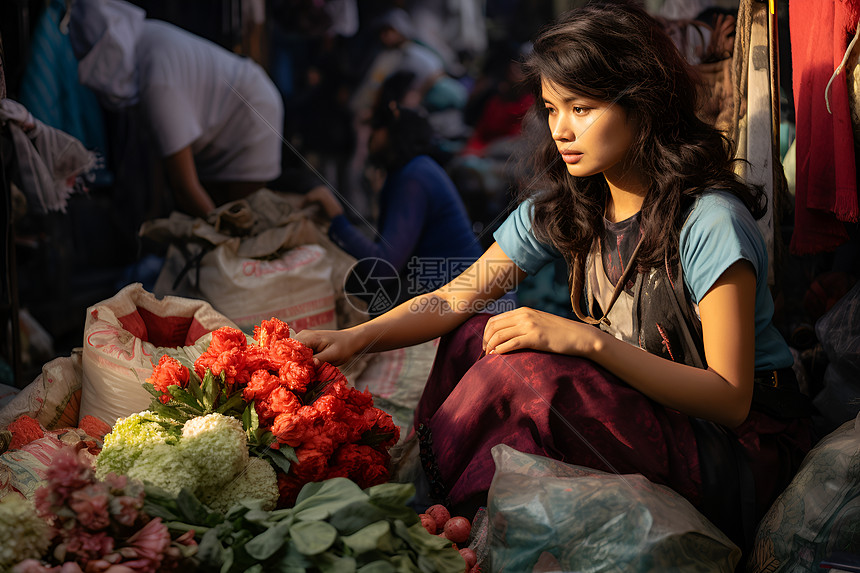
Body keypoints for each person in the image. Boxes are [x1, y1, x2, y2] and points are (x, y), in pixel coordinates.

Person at [296, 1, 812, 550]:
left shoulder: (709, 222)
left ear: (643, 104)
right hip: (647, 413)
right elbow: (452, 299)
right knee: (476, 334)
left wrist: (586, 341)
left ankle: (439, 512)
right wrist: (353, 339)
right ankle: (441, 507)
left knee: (528, 376)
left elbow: (730, 398)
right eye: (551, 108)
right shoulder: (569, 206)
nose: (561, 130)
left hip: (732, 450)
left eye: (582, 109)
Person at [68, 0, 284, 218]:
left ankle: (310, 202)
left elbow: (184, 187)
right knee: (234, 211)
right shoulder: (146, 40)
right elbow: (163, 153)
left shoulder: (156, 80)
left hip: (250, 114)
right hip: (242, 104)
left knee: (244, 214)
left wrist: (220, 240)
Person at [303, 102, 482, 314]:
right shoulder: (405, 173)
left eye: (377, 127)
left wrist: (336, 216)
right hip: (439, 285)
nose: (370, 135)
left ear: (395, 133)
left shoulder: (415, 176)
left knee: (363, 295)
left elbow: (382, 268)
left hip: (459, 294)